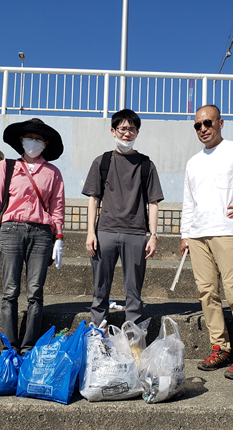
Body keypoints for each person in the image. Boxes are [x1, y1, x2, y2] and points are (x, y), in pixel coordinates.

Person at [180, 105, 233, 379]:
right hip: (198, 234)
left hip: (229, 231)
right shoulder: (193, 162)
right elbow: (189, 200)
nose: (203, 129)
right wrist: (185, 234)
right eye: (197, 125)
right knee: (207, 293)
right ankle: (220, 347)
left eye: (208, 123)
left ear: (220, 123)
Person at [0, 118, 65, 354]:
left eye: (39, 139)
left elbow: (57, 208)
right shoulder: (6, 167)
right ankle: (9, 347)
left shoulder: (53, 173)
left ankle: (28, 347)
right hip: (11, 230)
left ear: (46, 144)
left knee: (35, 292)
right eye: (30, 138)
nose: (34, 142)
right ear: (21, 140)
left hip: (41, 233)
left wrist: (58, 237)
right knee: (10, 291)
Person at [82, 109, 164, 326]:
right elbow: (93, 198)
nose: (127, 133)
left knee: (134, 292)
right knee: (100, 289)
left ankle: (133, 340)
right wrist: (91, 232)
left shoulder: (146, 164)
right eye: (123, 129)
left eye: (132, 129)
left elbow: (153, 202)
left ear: (138, 132)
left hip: (136, 233)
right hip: (105, 232)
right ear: (113, 131)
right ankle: (97, 334)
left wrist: (153, 235)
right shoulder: (102, 162)